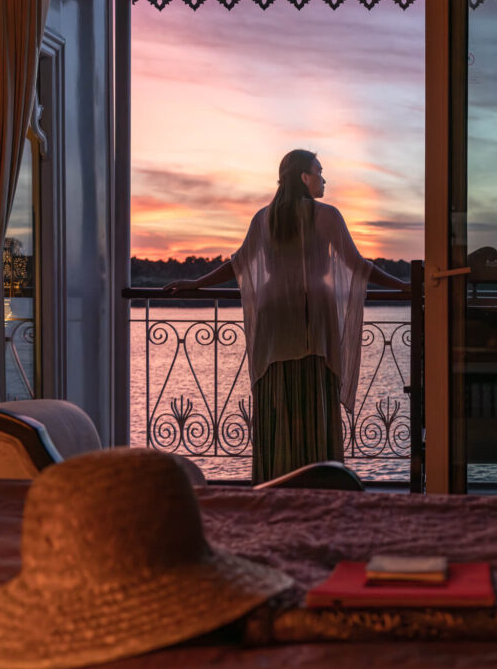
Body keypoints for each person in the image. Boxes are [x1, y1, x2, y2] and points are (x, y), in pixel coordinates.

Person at [165, 150, 409, 484]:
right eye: (319, 172)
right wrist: (406, 287)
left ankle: (275, 479)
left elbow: (238, 265)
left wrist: (197, 283)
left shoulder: (264, 217)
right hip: (311, 316)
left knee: (276, 397)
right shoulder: (327, 216)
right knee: (313, 397)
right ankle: (319, 480)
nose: (324, 179)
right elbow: (359, 266)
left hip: (272, 315)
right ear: (303, 177)